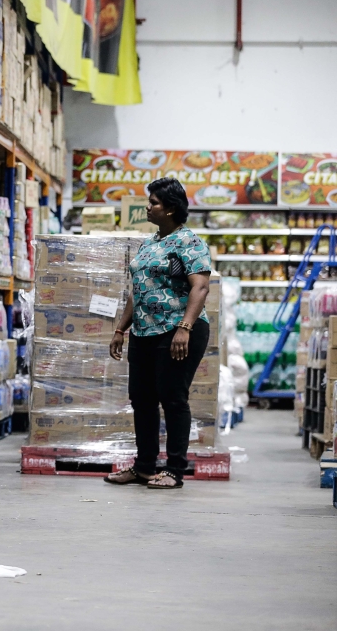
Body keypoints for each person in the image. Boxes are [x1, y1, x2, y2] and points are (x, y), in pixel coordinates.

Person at [104, 177, 212, 489]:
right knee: (142, 399)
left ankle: (175, 470)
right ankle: (144, 467)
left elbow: (200, 287)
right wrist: (120, 329)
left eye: (153, 203)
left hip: (178, 330)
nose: (148, 207)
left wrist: (185, 328)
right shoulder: (150, 244)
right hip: (144, 332)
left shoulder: (190, 243)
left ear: (171, 208)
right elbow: (138, 291)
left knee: (173, 399)